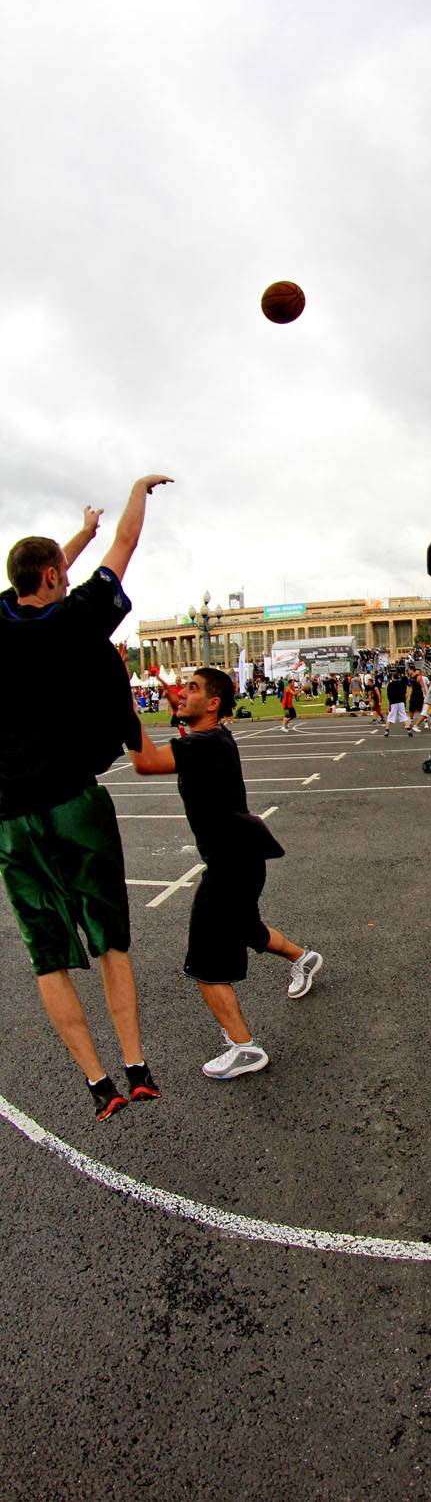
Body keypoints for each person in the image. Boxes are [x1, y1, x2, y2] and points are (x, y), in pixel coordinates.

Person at [0, 475, 171, 1120]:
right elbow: (127, 544)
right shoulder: (75, 621)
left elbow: (40, 573)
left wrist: (77, 536)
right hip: (73, 801)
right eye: (62, 573)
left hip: (10, 815)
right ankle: (136, 1066)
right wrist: (136, 492)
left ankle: (98, 1084)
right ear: (52, 577)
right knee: (109, 939)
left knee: (47, 954)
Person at [127, 668, 323, 1078]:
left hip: (230, 863)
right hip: (244, 856)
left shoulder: (203, 744)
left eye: (192, 688)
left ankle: (244, 1048)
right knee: (246, 928)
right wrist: (176, 700)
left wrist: (122, 712)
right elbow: (184, 726)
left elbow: (145, 762)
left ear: (213, 703)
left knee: (205, 961)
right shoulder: (214, 736)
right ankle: (303, 959)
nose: (181, 693)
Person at [385, 668, 411, 736]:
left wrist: (390, 701)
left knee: (390, 716)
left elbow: (389, 695)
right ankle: (408, 729)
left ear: (392, 677)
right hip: (401, 702)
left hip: (393, 702)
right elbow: (404, 693)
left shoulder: (390, 685)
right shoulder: (402, 684)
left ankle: (387, 730)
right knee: (404, 716)